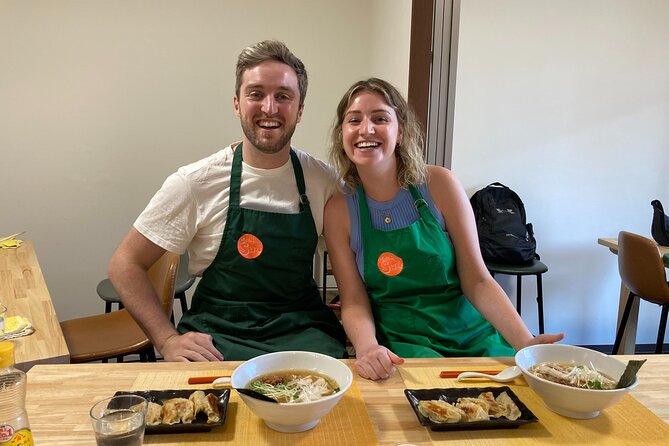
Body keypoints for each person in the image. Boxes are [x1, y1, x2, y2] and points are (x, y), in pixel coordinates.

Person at [108, 40, 347, 362]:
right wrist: (166, 339)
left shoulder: (324, 181)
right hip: (220, 334)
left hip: (301, 329)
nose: (269, 108)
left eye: (283, 96)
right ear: (237, 103)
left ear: (300, 109)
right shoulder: (195, 183)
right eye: (256, 94)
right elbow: (124, 265)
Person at [324, 78, 564, 380]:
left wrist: (525, 343)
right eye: (354, 120)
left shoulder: (439, 185)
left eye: (380, 118)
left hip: (472, 334)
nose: (366, 129)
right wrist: (368, 347)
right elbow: (354, 299)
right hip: (405, 344)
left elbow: (477, 280)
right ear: (342, 135)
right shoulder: (339, 210)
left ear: (400, 132)